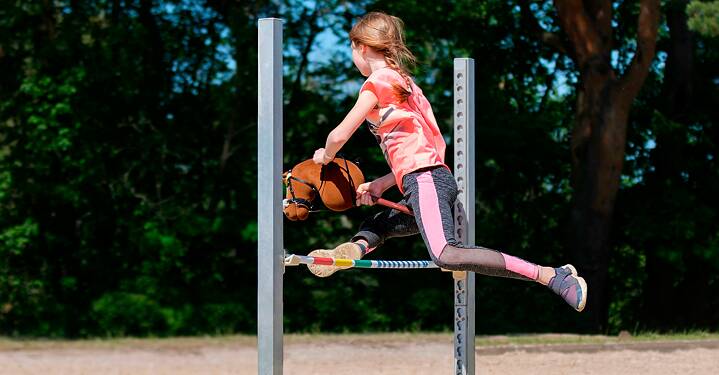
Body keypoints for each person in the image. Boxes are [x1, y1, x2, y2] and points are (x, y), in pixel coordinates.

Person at [308, 12, 587, 312]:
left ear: (361, 47)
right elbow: (422, 149)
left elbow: (339, 135)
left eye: (352, 51)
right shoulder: (406, 84)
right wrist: (382, 183)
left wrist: (325, 154)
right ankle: (355, 249)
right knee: (379, 223)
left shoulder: (376, 83)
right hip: (423, 180)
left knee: (446, 254)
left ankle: (553, 276)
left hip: (425, 180)